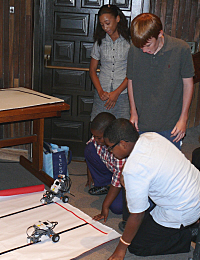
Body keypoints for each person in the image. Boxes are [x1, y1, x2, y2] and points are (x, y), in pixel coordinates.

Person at [103, 118, 200, 259]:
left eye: (110, 147)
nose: (110, 151)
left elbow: (137, 214)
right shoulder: (150, 136)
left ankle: (187, 234)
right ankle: (185, 225)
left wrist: (121, 248)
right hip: (194, 188)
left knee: (137, 245)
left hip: (183, 209)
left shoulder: (134, 170)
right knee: (139, 227)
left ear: (123, 144)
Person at [127, 13, 194, 150]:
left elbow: (188, 84)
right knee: (144, 167)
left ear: (160, 34)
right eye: (141, 47)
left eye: (148, 45)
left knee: (169, 168)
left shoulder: (181, 49)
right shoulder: (134, 49)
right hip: (142, 123)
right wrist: (133, 112)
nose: (144, 50)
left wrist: (183, 118)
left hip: (171, 124)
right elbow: (131, 81)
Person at [90, 4, 130, 121]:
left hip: (122, 95)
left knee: (121, 130)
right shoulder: (99, 42)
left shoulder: (130, 42)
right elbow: (92, 70)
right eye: (102, 25)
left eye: (108, 23)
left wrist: (117, 92)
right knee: (99, 128)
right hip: (102, 94)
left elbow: (132, 72)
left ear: (117, 19)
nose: (105, 28)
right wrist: (100, 91)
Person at [84, 112, 126, 217]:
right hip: (112, 170)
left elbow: (118, 180)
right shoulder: (97, 139)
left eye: (99, 137)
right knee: (89, 149)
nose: (96, 140)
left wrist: (105, 206)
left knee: (117, 208)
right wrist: (90, 173)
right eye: (94, 136)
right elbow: (91, 145)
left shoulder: (121, 149)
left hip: (125, 180)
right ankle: (106, 184)